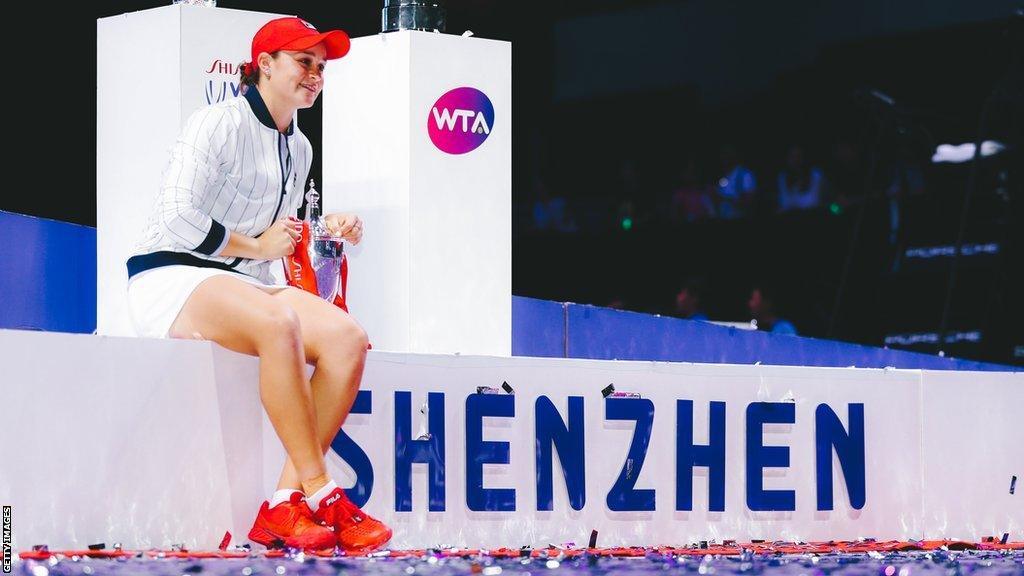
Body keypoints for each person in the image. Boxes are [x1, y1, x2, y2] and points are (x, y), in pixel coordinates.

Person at [125, 17, 391, 553]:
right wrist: (256, 247)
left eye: (321, 66)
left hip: (242, 284)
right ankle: (322, 492)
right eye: (303, 62)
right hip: (171, 275)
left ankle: (282, 505)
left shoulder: (301, 148)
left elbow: (278, 237)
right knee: (279, 321)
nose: (315, 75)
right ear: (264, 65)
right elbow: (178, 218)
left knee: (346, 339)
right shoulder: (216, 122)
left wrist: (321, 227)